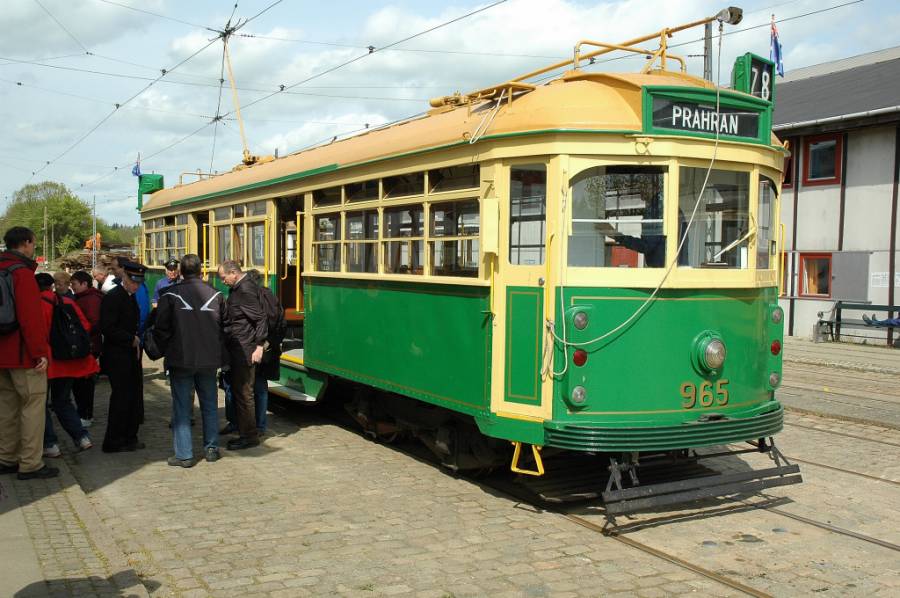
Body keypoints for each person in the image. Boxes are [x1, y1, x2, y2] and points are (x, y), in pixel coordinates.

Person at [152, 254, 226, 467]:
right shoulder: (217, 295)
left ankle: (184, 455)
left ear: (181, 272)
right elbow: (225, 327)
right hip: (209, 359)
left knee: (182, 406)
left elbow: (162, 327)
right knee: (210, 404)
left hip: (181, 358)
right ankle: (211, 448)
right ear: (201, 271)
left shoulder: (170, 295)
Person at [0, 226, 57, 480]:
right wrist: (40, 353)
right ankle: (30, 463)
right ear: (25, 243)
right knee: (33, 406)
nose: (34, 248)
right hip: (23, 354)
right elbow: (31, 319)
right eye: (33, 243)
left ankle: (6, 457)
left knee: (6, 408)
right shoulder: (22, 274)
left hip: (1, 355)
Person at [36, 273, 96, 455]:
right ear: (51, 286)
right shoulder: (67, 303)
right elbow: (85, 326)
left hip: (46, 362)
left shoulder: (36, 305)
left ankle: (50, 444)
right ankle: (81, 437)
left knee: (41, 405)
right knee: (63, 401)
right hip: (69, 362)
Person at [220, 269, 283, 436]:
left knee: (240, 389)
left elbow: (258, 319)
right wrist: (271, 343)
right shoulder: (269, 296)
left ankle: (238, 424)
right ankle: (260, 426)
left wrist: (259, 344)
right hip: (263, 346)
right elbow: (280, 322)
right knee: (260, 387)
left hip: (251, 347)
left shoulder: (245, 294)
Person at [218, 260, 267, 450]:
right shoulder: (241, 287)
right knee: (241, 392)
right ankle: (244, 431)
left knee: (244, 393)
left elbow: (260, 318)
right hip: (240, 347)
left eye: (224, 278)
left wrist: (259, 345)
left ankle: (249, 436)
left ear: (233, 273)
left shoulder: (244, 289)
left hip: (245, 350)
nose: (223, 281)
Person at [100, 261, 146, 452]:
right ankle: (114, 440)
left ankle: (129, 436)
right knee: (121, 398)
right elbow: (107, 327)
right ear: (124, 278)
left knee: (133, 396)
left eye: (139, 282)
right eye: (133, 281)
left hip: (129, 354)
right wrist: (130, 339)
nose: (136, 286)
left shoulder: (129, 296)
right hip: (118, 355)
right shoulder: (114, 297)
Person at [71, 270, 103, 427]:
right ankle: (85, 413)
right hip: (87, 344)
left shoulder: (90, 300)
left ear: (84, 284)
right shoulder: (85, 298)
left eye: (74, 284)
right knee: (83, 382)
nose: (72, 287)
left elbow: (93, 323)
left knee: (84, 382)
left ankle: (85, 414)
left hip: (88, 345)